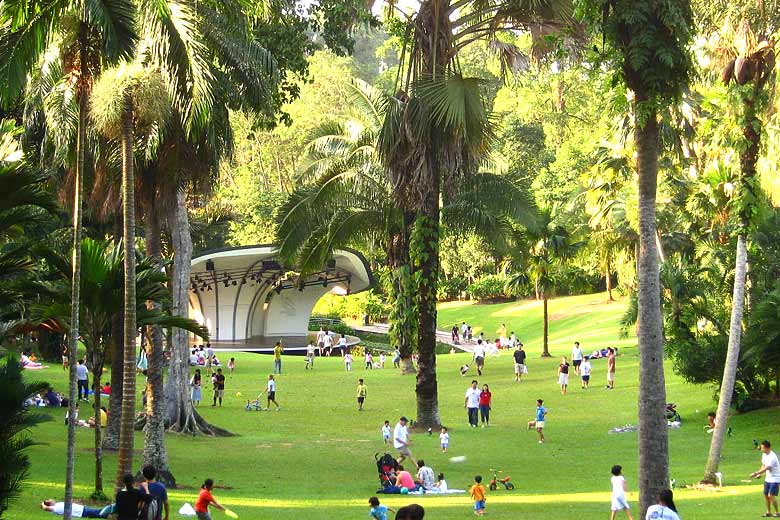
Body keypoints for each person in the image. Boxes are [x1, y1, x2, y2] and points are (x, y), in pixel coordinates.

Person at [750, 439, 780, 517]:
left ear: (767, 448)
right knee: (766, 495)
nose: (761, 449)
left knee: (771, 495)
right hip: (768, 478)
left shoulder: (772, 457)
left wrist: (756, 473)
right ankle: (768, 512)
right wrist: (760, 474)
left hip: (775, 479)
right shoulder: (764, 455)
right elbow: (763, 465)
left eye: (763, 448)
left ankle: (777, 513)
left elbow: (767, 468)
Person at [41, 499, 108, 518]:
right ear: (49, 503)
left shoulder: (57, 504)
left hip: (82, 509)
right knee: (99, 513)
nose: (51, 499)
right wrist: (43, 504)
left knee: (98, 512)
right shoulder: (55, 508)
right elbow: (45, 508)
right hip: (81, 512)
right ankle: (110, 514)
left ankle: (109, 515)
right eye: (49, 500)